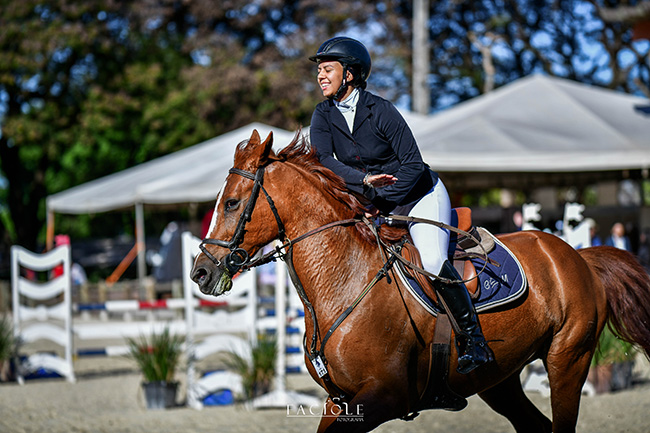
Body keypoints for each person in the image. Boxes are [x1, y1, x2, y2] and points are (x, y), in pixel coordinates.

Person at [308, 36, 493, 374]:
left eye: (327, 69)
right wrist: (365, 185)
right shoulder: (323, 114)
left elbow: (412, 164)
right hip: (370, 200)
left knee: (434, 259)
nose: (320, 76)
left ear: (349, 74)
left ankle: (474, 340)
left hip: (419, 194)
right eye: (319, 70)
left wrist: (381, 200)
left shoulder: (381, 111)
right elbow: (321, 160)